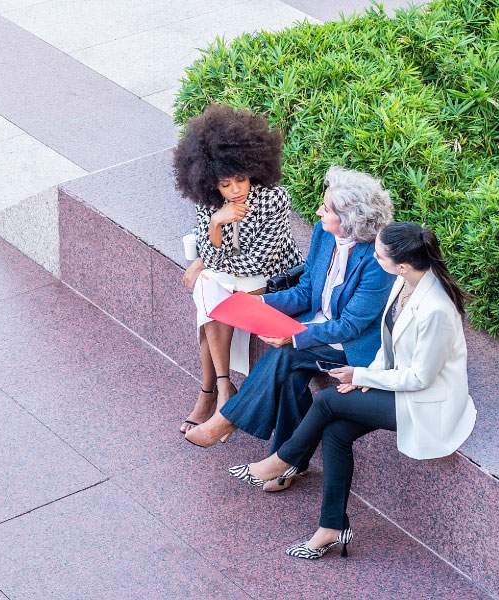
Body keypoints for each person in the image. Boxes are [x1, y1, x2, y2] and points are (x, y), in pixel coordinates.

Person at [227, 222, 477, 559]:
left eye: (378, 254)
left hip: (427, 403)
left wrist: (360, 375)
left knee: (328, 401)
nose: (372, 258)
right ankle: (331, 527)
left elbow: (420, 379)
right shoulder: (404, 282)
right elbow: (385, 346)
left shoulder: (436, 310)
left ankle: (283, 460)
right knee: (335, 433)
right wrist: (365, 375)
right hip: (397, 385)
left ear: (401, 264)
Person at [184, 167, 394, 489]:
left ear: (351, 219)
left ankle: (227, 420)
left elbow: (350, 326)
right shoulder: (325, 234)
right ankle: (289, 464)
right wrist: (259, 304)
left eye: (326, 209)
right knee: (292, 374)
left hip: (351, 345)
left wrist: (296, 335)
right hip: (317, 325)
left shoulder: (375, 261)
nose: (318, 211)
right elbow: (307, 290)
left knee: (286, 357)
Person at [173, 105, 304, 434]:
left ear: (255, 169)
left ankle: (212, 392)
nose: (235, 190)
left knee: (207, 286)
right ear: (211, 182)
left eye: (241, 179)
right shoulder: (212, 204)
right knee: (209, 291)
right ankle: (221, 386)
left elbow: (257, 262)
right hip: (232, 277)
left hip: (269, 280)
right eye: (225, 183)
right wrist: (217, 224)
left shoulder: (273, 199)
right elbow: (213, 250)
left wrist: (207, 254)